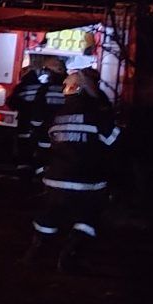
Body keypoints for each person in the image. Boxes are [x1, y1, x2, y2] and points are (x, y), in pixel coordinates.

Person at [26, 69, 120, 272]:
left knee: (48, 219)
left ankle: (36, 252)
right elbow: (116, 144)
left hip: (54, 181)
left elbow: (42, 144)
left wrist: (42, 170)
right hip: (87, 183)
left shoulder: (56, 115)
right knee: (88, 218)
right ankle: (70, 254)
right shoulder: (98, 114)